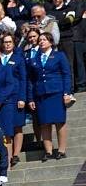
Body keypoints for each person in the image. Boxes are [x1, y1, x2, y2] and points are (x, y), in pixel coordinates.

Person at [27, 32, 74, 160]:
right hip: (41, 94)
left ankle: (61, 150)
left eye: (44, 39)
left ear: (51, 42)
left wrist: (67, 92)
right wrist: (30, 98)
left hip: (56, 92)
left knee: (60, 121)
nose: (41, 41)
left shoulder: (59, 55)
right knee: (44, 123)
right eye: (40, 40)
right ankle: (48, 151)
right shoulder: (34, 59)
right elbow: (31, 80)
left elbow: (66, 74)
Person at [0, 35, 28, 166]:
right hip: (2, 97)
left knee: (17, 126)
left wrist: (22, 97)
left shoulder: (18, 58)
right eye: (5, 42)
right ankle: (6, 154)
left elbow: (23, 79)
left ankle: (16, 154)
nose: (7, 44)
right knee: (5, 127)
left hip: (16, 96)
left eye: (9, 42)